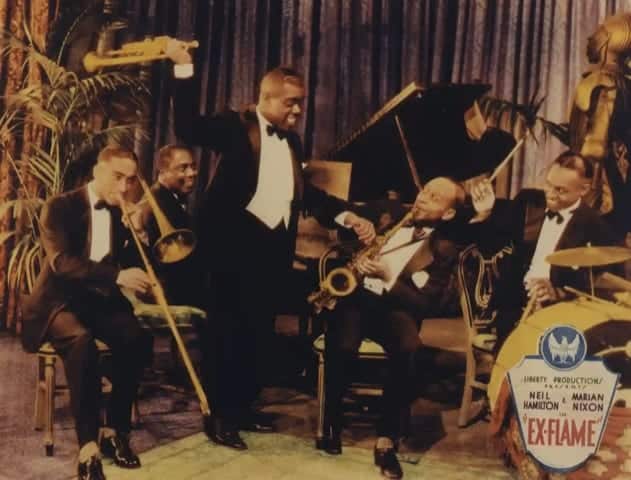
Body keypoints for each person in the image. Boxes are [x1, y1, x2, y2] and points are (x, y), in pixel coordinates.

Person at [165, 41, 376, 450]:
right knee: (225, 336)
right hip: (228, 254)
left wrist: (347, 216)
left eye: (301, 103)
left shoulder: (291, 143)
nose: (298, 111)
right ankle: (218, 416)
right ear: (266, 97)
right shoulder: (235, 126)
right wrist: (184, 66)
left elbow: (305, 195)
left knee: (257, 334)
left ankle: (243, 407)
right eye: (291, 103)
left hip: (270, 255)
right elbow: (188, 127)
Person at [322, 177, 468, 480]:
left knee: (409, 347)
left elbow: (426, 304)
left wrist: (389, 277)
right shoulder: (388, 212)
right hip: (357, 297)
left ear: (449, 213)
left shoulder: (444, 249)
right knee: (343, 343)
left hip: (395, 308)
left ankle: (387, 436)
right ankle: (331, 419)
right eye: (424, 190)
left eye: (435, 197)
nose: (423, 198)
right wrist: (356, 226)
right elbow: (342, 218)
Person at [21, 146, 152, 480]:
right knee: (82, 342)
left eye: (130, 180)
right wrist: (118, 276)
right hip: (58, 302)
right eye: (117, 177)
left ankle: (115, 432)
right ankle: (88, 448)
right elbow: (61, 263)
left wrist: (138, 236)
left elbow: (128, 263)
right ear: (98, 171)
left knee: (136, 338)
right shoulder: (59, 206)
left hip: (98, 301)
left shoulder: (119, 211)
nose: (124, 187)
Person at [471, 151, 620, 349]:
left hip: (559, 313)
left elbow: (599, 286)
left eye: (560, 190)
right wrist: (485, 213)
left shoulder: (596, 227)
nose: (550, 194)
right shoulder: (528, 202)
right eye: (548, 184)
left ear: (584, 189)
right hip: (513, 301)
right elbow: (490, 246)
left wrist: (557, 293)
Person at [568, 12, 631, 239]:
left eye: (601, 32)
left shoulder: (603, 84)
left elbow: (594, 146)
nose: (592, 37)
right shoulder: (624, 83)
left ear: (610, 41)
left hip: (602, 188)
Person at [140, 144, 200, 305]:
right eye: (183, 168)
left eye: (193, 167)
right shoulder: (154, 204)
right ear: (163, 172)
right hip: (172, 294)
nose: (192, 173)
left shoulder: (173, 196)